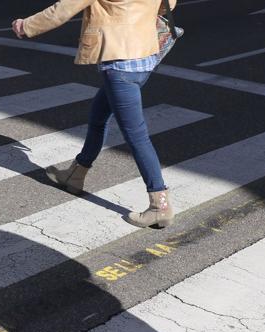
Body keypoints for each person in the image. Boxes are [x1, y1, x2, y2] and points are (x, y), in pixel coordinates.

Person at [12, 0, 177, 228]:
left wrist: (26, 25)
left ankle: (159, 204)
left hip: (119, 64)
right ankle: (76, 174)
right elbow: (167, 5)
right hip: (145, 56)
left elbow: (64, 8)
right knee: (98, 118)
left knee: (136, 136)